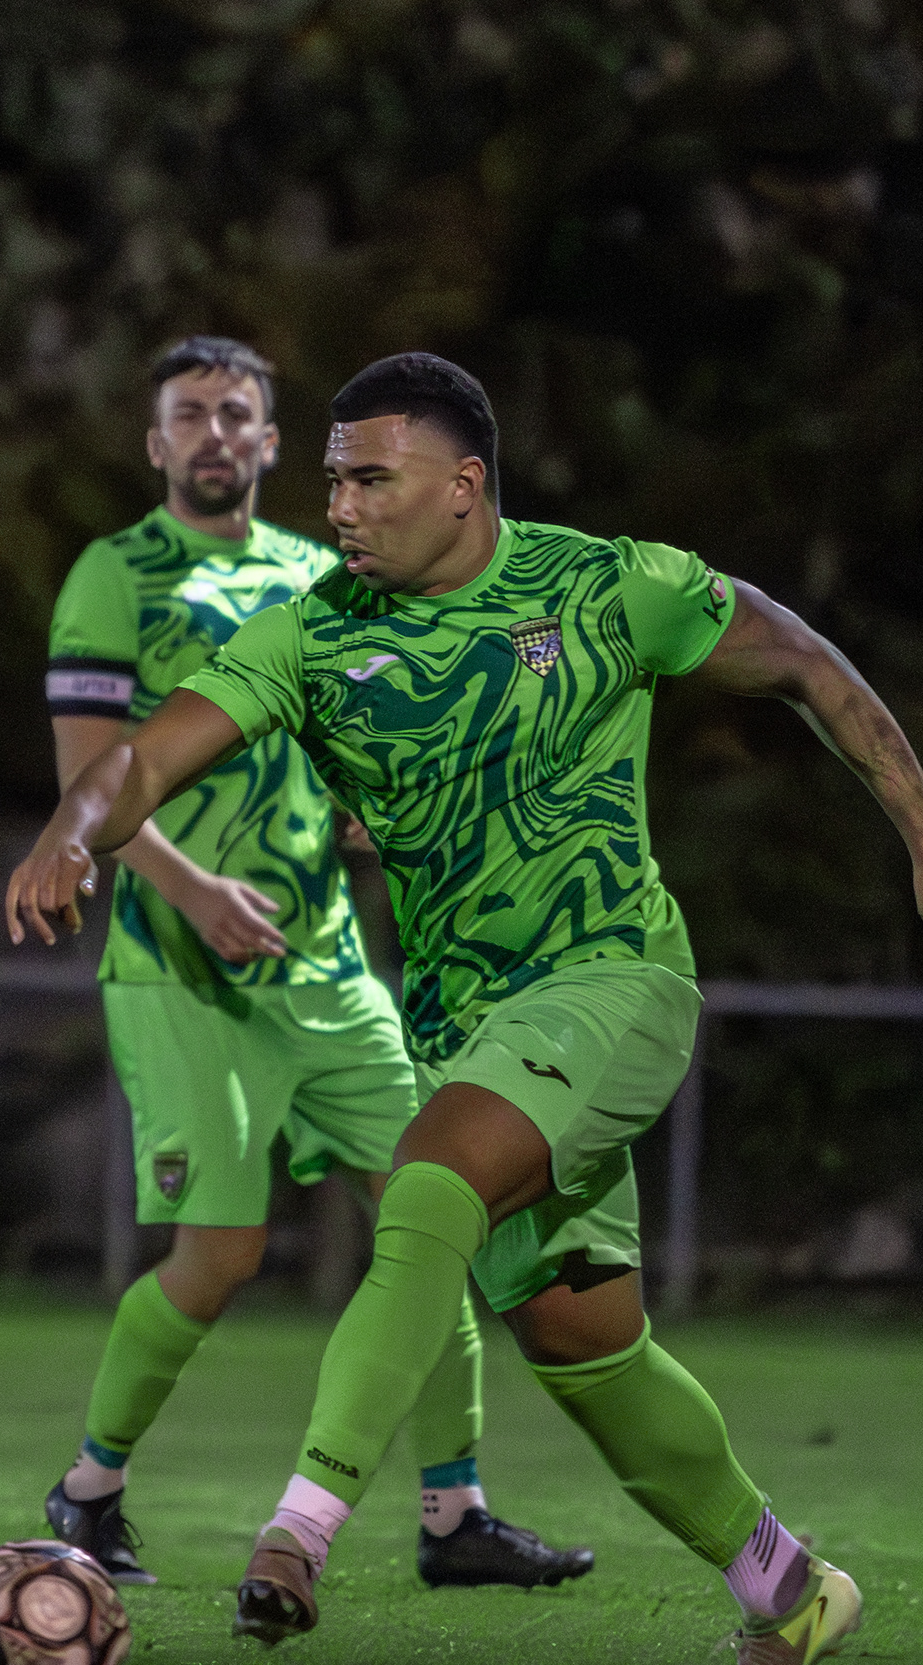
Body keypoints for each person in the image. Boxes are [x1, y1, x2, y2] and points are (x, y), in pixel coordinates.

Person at [10, 351, 923, 1665]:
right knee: (586, 1347)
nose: (340, 508)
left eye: (371, 480)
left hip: (615, 982)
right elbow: (145, 756)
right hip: (466, 1027)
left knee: (428, 1185)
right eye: (334, 482)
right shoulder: (312, 635)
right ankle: (792, 1588)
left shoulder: (605, 586)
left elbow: (806, 665)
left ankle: (301, 1528)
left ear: (463, 485)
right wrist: (74, 829)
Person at [38, 334, 592, 1595]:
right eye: (191, 413)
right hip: (181, 973)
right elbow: (90, 778)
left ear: (274, 441)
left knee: (438, 1217)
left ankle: (454, 1516)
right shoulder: (115, 577)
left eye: (237, 412)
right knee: (220, 1258)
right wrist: (195, 889)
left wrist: (368, 805)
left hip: (329, 971)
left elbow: (365, 719)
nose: (216, 432)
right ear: (157, 443)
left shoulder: (317, 575)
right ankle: (90, 1491)